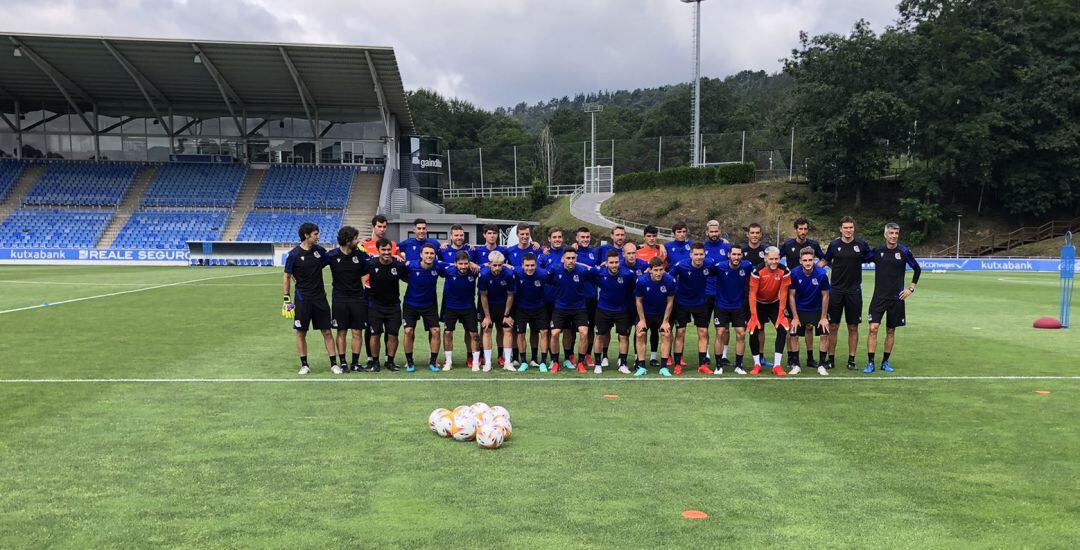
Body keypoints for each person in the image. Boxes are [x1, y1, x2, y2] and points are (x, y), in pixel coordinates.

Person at [864, 223, 921, 374]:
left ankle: (885, 362)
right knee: (873, 328)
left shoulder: (903, 251)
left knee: (891, 331)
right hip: (879, 297)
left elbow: (917, 268)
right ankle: (870, 362)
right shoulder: (877, 251)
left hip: (896, 298)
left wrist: (911, 288)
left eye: (896, 233)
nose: (894, 235)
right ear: (885, 235)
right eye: (891, 233)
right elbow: (860, 259)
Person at [282, 222, 337, 374]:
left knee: (327, 331)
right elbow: (287, 275)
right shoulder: (294, 254)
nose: (318, 237)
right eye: (315, 234)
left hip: (320, 298)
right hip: (302, 299)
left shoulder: (319, 251)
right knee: (301, 332)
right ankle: (304, 365)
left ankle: (334, 364)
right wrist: (286, 299)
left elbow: (332, 261)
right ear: (306, 235)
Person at [821, 216, 874, 371]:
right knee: (833, 326)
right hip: (836, 290)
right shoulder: (834, 244)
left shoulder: (862, 245)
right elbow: (825, 261)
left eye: (851, 227)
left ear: (854, 228)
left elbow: (872, 258)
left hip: (854, 291)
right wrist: (808, 270)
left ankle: (852, 360)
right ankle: (831, 359)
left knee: (853, 327)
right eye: (846, 227)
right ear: (840, 229)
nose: (848, 230)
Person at [669, 242, 718, 375]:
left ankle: (702, 364)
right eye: (696, 254)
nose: (698, 257)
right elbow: (668, 278)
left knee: (703, 332)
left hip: (700, 302)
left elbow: (721, 271)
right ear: (691, 255)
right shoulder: (681, 266)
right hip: (682, 303)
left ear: (705, 254)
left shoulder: (709, 264)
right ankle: (678, 364)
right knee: (681, 332)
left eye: (701, 254)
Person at [326, 226, 369, 373]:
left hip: (357, 298)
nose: (357, 241)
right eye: (355, 238)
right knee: (341, 331)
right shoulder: (331, 255)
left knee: (357, 332)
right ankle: (343, 362)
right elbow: (312, 266)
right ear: (348, 239)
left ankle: (355, 363)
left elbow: (370, 268)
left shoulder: (360, 255)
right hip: (339, 299)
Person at [781, 218, 826, 363]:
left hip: (810, 289)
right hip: (792, 289)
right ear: (796, 230)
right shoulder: (788, 245)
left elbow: (825, 259)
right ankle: (791, 358)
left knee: (809, 326)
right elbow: (776, 259)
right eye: (800, 229)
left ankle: (810, 358)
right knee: (791, 325)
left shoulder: (813, 245)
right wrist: (785, 273)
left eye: (805, 229)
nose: (803, 232)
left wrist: (817, 269)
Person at [586, 250, 637, 374]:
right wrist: (599, 267)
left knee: (624, 337)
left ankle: (623, 364)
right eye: (611, 262)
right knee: (599, 336)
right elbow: (587, 273)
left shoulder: (628, 274)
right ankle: (598, 363)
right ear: (606, 263)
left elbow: (634, 287)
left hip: (622, 310)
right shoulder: (600, 272)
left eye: (616, 262)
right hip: (603, 310)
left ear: (619, 262)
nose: (614, 265)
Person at [361, 214, 401, 366]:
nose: (382, 229)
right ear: (373, 227)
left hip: (389, 291)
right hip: (370, 291)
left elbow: (398, 261)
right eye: (379, 226)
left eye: (385, 226)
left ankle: (387, 359)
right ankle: (371, 358)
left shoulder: (393, 245)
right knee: (371, 327)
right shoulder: (364, 245)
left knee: (391, 329)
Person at [365, 238, 409, 372]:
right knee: (375, 334)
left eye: (389, 249)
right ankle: (375, 362)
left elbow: (409, 278)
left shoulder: (399, 265)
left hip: (393, 306)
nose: (386, 252)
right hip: (375, 306)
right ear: (378, 251)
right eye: (383, 250)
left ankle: (390, 361)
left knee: (393, 334)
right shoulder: (371, 264)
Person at [787, 247, 832, 376]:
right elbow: (791, 295)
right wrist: (795, 317)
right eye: (805, 260)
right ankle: (796, 364)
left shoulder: (822, 274)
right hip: (800, 308)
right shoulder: (794, 274)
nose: (808, 263)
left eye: (810, 260)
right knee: (794, 334)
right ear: (800, 261)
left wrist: (823, 317)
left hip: (817, 309)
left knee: (824, 333)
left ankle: (822, 365)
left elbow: (825, 296)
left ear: (814, 260)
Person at [547, 248, 592, 373]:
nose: (571, 261)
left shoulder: (583, 271)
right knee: (555, 333)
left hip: (579, 308)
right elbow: (545, 278)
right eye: (568, 258)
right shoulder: (555, 270)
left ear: (576, 259)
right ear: (563, 259)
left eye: (573, 258)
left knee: (584, 332)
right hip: (560, 307)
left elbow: (596, 274)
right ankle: (555, 362)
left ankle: (580, 362)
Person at [747, 246, 791, 376]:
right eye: (771, 259)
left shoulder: (785, 271)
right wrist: (754, 315)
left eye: (776, 259)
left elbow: (783, 293)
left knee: (782, 329)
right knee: (753, 331)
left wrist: (781, 313)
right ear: (765, 258)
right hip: (758, 304)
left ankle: (777, 365)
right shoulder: (757, 271)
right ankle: (757, 364)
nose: (774, 262)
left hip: (774, 304)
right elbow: (752, 295)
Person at [401, 243, 445, 373]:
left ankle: (433, 361)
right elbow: (400, 271)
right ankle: (409, 361)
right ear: (421, 254)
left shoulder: (438, 266)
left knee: (436, 331)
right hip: (410, 304)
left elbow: (455, 266)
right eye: (426, 253)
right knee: (408, 331)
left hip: (429, 305)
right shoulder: (411, 266)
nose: (429, 256)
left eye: (432, 253)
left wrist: (472, 264)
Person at [712, 244, 753, 375]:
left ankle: (739, 365)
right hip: (721, 305)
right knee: (720, 333)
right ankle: (718, 365)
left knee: (741, 333)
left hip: (739, 306)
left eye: (738, 254)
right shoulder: (719, 267)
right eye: (734, 254)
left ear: (742, 255)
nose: (736, 257)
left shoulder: (747, 266)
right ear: (729, 255)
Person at [633, 257, 676, 376]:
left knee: (666, 334)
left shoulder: (670, 280)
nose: (658, 273)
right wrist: (642, 320)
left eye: (661, 270)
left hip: (662, 314)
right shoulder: (641, 281)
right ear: (650, 270)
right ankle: (641, 366)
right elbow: (638, 301)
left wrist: (666, 321)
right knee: (640, 333)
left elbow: (670, 302)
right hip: (645, 314)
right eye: (656, 270)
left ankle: (663, 367)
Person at [441, 250, 482, 371]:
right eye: (461, 264)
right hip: (451, 307)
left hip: (468, 308)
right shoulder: (449, 271)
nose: (463, 266)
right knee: (448, 333)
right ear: (455, 263)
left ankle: (475, 362)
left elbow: (488, 265)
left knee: (474, 334)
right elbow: (436, 264)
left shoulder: (473, 271)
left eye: (466, 263)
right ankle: (448, 361)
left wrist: (475, 264)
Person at [513, 253, 551, 372]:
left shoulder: (543, 274)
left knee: (543, 332)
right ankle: (523, 361)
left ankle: (543, 362)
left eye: (532, 265)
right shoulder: (517, 272)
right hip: (521, 308)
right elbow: (505, 267)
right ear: (522, 265)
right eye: (527, 265)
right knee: (521, 334)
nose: (530, 268)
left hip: (540, 308)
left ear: (536, 265)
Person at [478, 251, 516, 372]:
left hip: (504, 305)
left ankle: (507, 362)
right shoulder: (483, 275)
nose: (497, 268)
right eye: (494, 265)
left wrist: (507, 315)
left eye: (500, 265)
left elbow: (510, 295)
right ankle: (488, 362)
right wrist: (487, 316)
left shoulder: (509, 274)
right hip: (488, 305)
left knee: (507, 329)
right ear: (489, 264)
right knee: (487, 329)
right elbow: (483, 296)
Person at [702, 219, 732, 366]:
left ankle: (724, 355)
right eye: (711, 231)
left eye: (716, 231)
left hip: (724, 292)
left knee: (725, 326)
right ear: (707, 232)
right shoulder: (702, 247)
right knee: (705, 324)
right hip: (707, 291)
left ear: (720, 231)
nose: (714, 234)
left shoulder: (727, 247)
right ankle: (706, 354)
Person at [636, 225, 666, 366]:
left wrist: (661, 246)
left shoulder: (661, 252)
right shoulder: (638, 252)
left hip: (658, 297)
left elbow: (665, 270)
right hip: (641, 295)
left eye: (654, 236)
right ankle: (638, 358)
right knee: (640, 329)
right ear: (644, 237)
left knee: (655, 329)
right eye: (649, 236)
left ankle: (654, 357)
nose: (652, 238)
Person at [539, 226, 568, 368]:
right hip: (547, 299)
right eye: (554, 237)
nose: (557, 240)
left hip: (563, 299)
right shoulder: (544, 255)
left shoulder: (568, 253)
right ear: (549, 239)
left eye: (559, 237)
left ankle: (568, 358)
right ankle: (552, 359)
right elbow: (539, 273)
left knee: (567, 330)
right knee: (550, 331)